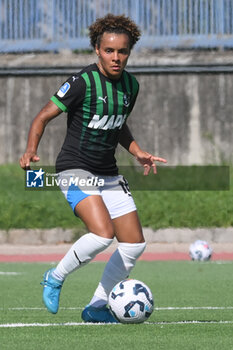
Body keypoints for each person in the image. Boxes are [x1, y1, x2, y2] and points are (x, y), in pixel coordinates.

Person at [20, 13, 167, 323]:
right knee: (102, 235)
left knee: (133, 244)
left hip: (108, 172)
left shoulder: (131, 85)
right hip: (74, 167)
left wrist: (137, 151)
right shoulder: (82, 82)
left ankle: (97, 307)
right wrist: (31, 150)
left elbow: (117, 123)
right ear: (97, 50)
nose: (116, 57)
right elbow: (42, 117)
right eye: (109, 50)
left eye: (122, 51)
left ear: (130, 51)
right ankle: (54, 277)